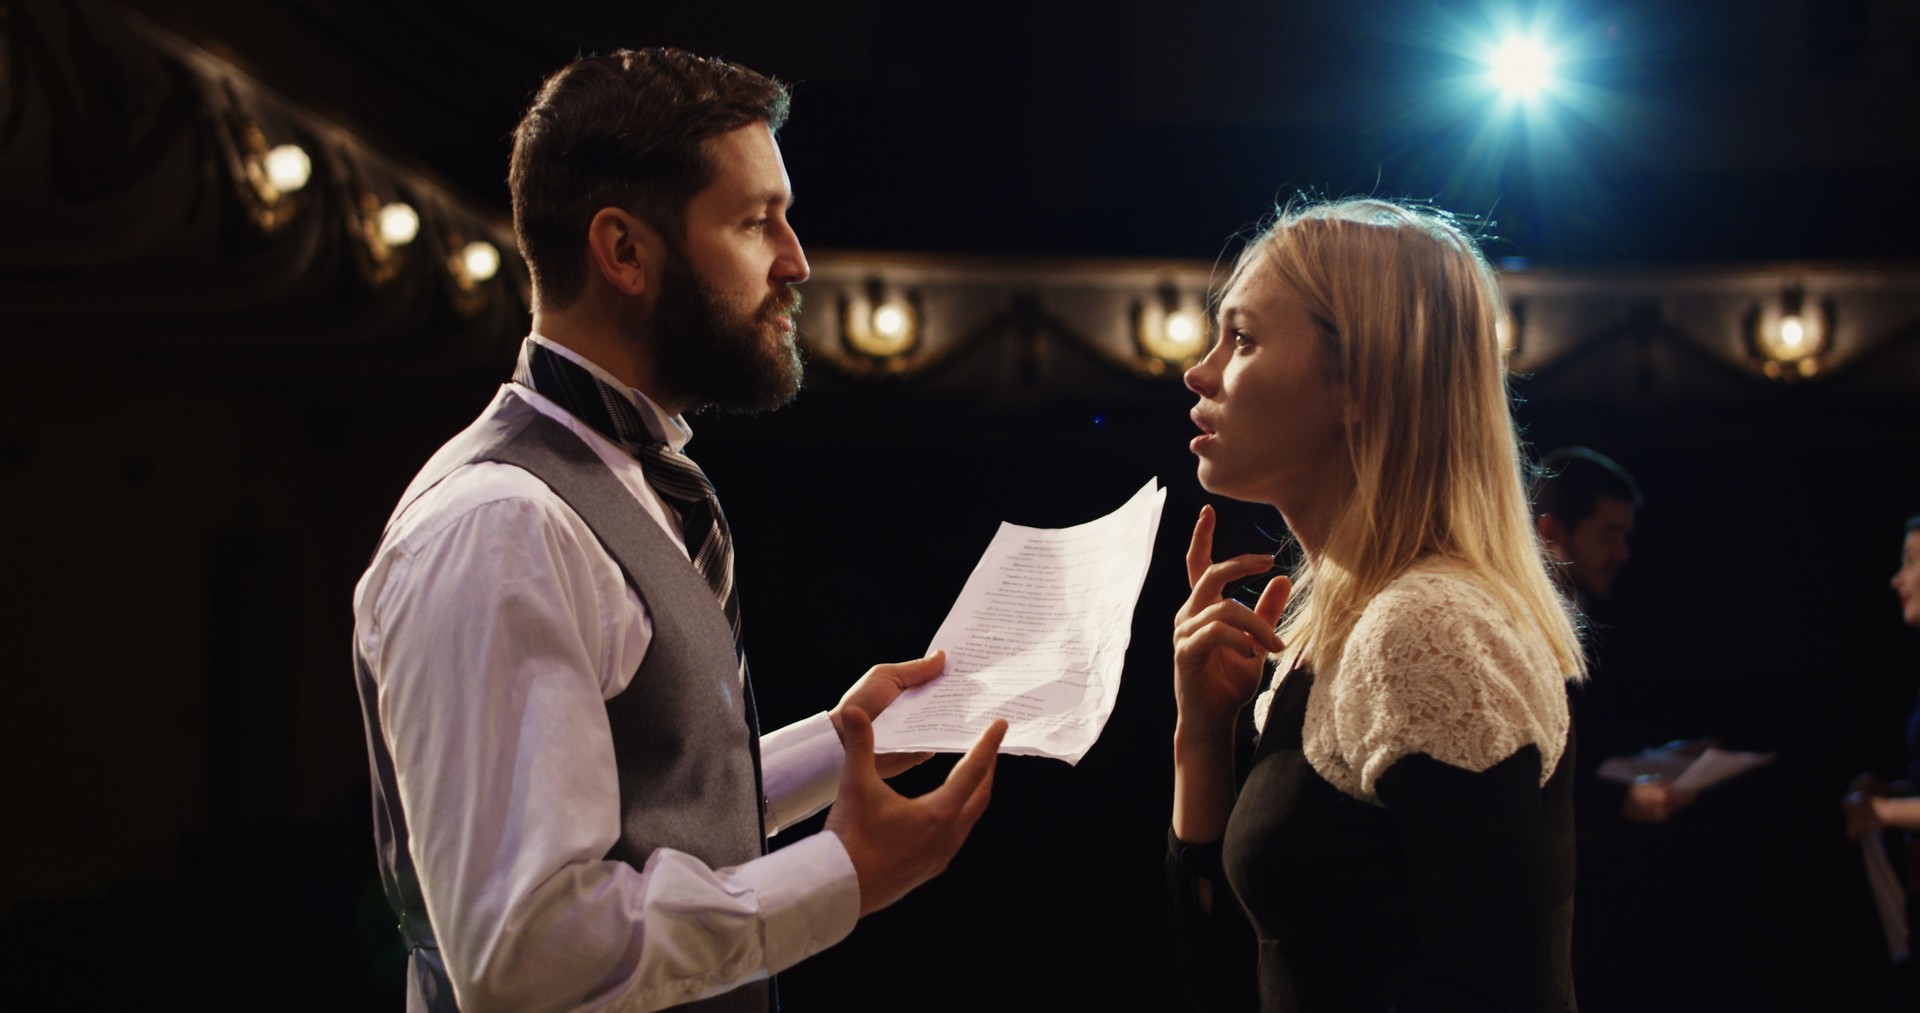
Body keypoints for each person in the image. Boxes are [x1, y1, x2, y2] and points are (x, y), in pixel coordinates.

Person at [351, 49, 1006, 1012]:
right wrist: (841, 877)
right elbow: (525, 953)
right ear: (624, 253)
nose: (797, 260)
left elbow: (644, 804)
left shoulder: (630, 479)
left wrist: (844, 743)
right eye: (755, 222)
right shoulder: (498, 524)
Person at [1166, 197, 1585, 1010]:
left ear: (1358, 383)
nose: (1201, 370)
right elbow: (1234, 970)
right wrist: (1201, 737)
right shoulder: (1341, 624)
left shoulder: (1428, 624)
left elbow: (1501, 990)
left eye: (1243, 339)